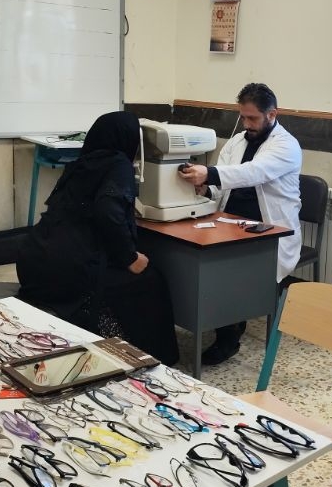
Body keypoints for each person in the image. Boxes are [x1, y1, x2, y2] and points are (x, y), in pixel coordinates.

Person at [17, 111, 179, 365]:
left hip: (35, 263)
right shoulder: (118, 165)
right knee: (150, 280)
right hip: (70, 273)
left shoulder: (80, 164)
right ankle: (148, 356)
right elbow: (108, 212)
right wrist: (129, 257)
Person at [179, 82, 302, 365]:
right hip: (229, 220)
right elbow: (222, 182)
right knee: (203, 260)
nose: (246, 124)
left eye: (252, 118)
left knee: (226, 270)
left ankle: (228, 336)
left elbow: (253, 172)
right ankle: (227, 321)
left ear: (272, 114)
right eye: (243, 117)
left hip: (268, 229)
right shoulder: (237, 141)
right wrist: (206, 188)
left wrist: (209, 174)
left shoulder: (286, 145)